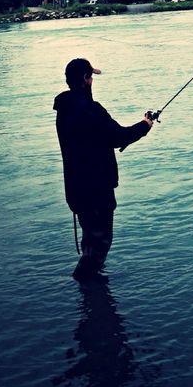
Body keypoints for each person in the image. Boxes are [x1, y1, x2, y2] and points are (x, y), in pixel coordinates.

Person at [54, 58, 154, 281]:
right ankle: (89, 291)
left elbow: (100, 138)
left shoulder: (64, 110)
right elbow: (118, 136)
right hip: (96, 189)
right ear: (85, 80)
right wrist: (145, 126)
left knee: (90, 241)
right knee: (99, 244)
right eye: (90, 77)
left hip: (76, 189)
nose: (92, 80)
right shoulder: (90, 110)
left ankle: (88, 297)